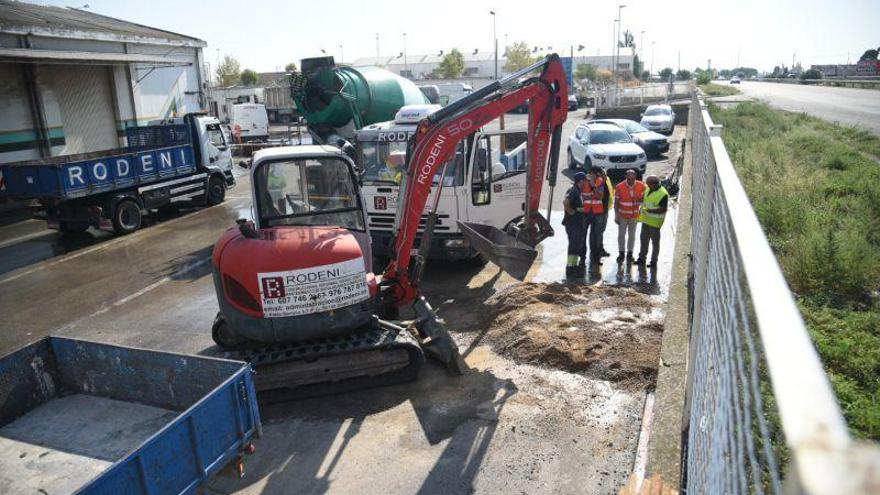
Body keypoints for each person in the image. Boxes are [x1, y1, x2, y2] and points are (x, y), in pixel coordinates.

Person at [636, 175, 670, 268]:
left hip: (655, 222)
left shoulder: (663, 194)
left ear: (654, 184)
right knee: (643, 240)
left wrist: (650, 211)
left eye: (648, 184)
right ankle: (641, 258)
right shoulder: (648, 189)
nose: (646, 185)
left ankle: (653, 261)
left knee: (655, 243)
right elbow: (645, 199)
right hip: (645, 220)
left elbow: (664, 209)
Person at [614, 169, 646, 263]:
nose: (631, 181)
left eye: (632, 179)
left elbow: (645, 198)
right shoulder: (619, 186)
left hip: (634, 215)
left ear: (635, 177)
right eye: (629, 179)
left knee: (632, 236)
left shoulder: (642, 185)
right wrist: (616, 216)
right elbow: (616, 203)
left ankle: (630, 254)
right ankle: (621, 253)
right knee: (621, 235)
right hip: (623, 215)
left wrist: (641, 204)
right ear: (626, 177)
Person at [580, 166, 606, 268]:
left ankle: (595, 258)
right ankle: (582, 258)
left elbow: (599, 196)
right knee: (582, 236)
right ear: (591, 173)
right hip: (585, 213)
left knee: (596, 237)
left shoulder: (600, 182)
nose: (597, 176)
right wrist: (592, 195)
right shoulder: (583, 181)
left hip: (597, 213)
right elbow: (581, 196)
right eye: (595, 174)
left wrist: (594, 186)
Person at [563, 172, 586, 277]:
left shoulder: (578, 190)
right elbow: (566, 202)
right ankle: (570, 267)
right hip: (573, 224)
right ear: (580, 181)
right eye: (584, 180)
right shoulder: (573, 190)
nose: (586, 182)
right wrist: (571, 211)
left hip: (577, 223)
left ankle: (573, 265)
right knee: (573, 245)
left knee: (576, 245)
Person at [596, 168, 613, 258]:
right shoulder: (598, 182)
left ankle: (600, 249)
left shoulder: (607, 180)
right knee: (598, 231)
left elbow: (610, 193)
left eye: (605, 174)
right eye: (602, 174)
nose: (604, 176)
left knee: (601, 230)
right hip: (599, 211)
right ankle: (597, 250)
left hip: (605, 209)